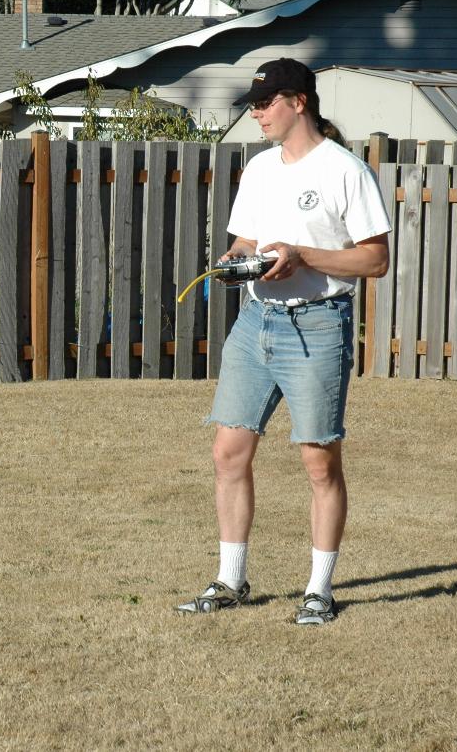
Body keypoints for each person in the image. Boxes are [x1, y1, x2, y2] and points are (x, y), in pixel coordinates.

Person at [176, 58, 391, 625]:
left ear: (299, 102)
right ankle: (231, 580)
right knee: (228, 452)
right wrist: (235, 259)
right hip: (256, 323)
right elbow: (248, 238)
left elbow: (375, 260)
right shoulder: (259, 169)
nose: (256, 113)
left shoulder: (345, 171)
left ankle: (319, 590)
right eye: (253, 104)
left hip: (318, 325)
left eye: (265, 102)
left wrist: (303, 256)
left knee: (319, 463)